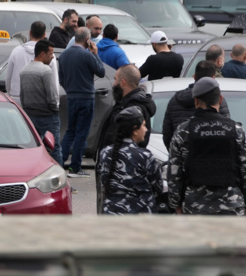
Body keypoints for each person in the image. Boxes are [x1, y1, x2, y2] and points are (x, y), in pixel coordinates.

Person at [167, 77, 246, 215]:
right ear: (220, 100)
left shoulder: (183, 131)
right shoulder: (236, 130)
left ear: (196, 101)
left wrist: (176, 204)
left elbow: (174, 173)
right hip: (231, 207)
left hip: (195, 207)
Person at [97, 106, 164, 215]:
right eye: (143, 125)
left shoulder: (105, 152)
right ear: (135, 130)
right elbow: (158, 187)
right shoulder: (144, 156)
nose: (146, 129)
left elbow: (104, 179)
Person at [59, 27, 105, 177]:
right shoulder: (88, 55)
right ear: (87, 39)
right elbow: (101, 71)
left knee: (70, 131)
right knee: (81, 133)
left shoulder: (64, 55)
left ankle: (60, 162)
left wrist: (70, 89)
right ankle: (75, 167)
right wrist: (95, 54)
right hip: (86, 97)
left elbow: (61, 78)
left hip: (71, 96)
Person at [162, 61, 232, 144]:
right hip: (215, 152)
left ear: (194, 76)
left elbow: (167, 133)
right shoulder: (218, 100)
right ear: (213, 78)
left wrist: (179, 152)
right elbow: (227, 130)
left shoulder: (175, 100)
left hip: (184, 152)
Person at [18, 40, 61, 166]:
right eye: (50, 53)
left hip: (30, 116)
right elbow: (52, 97)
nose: (53, 56)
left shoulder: (24, 70)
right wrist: (55, 109)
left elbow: (22, 96)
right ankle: (59, 178)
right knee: (55, 148)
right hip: (48, 116)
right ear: (42, 53)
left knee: (34, 148)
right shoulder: (46, 71)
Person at [97, 64, 156, 152]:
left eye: (115, 79)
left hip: (121, 161)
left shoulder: (133, 109)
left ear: (123, 82)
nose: (114, 83)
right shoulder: (124, 103)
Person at [1, 21, 49, 98]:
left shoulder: (16, 51)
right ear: (44, 35)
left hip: (17, 96)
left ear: (30, 33)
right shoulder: (49, 54)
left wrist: (11, 93)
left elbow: (8, 77)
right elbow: (53, 81)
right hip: (39, 99)